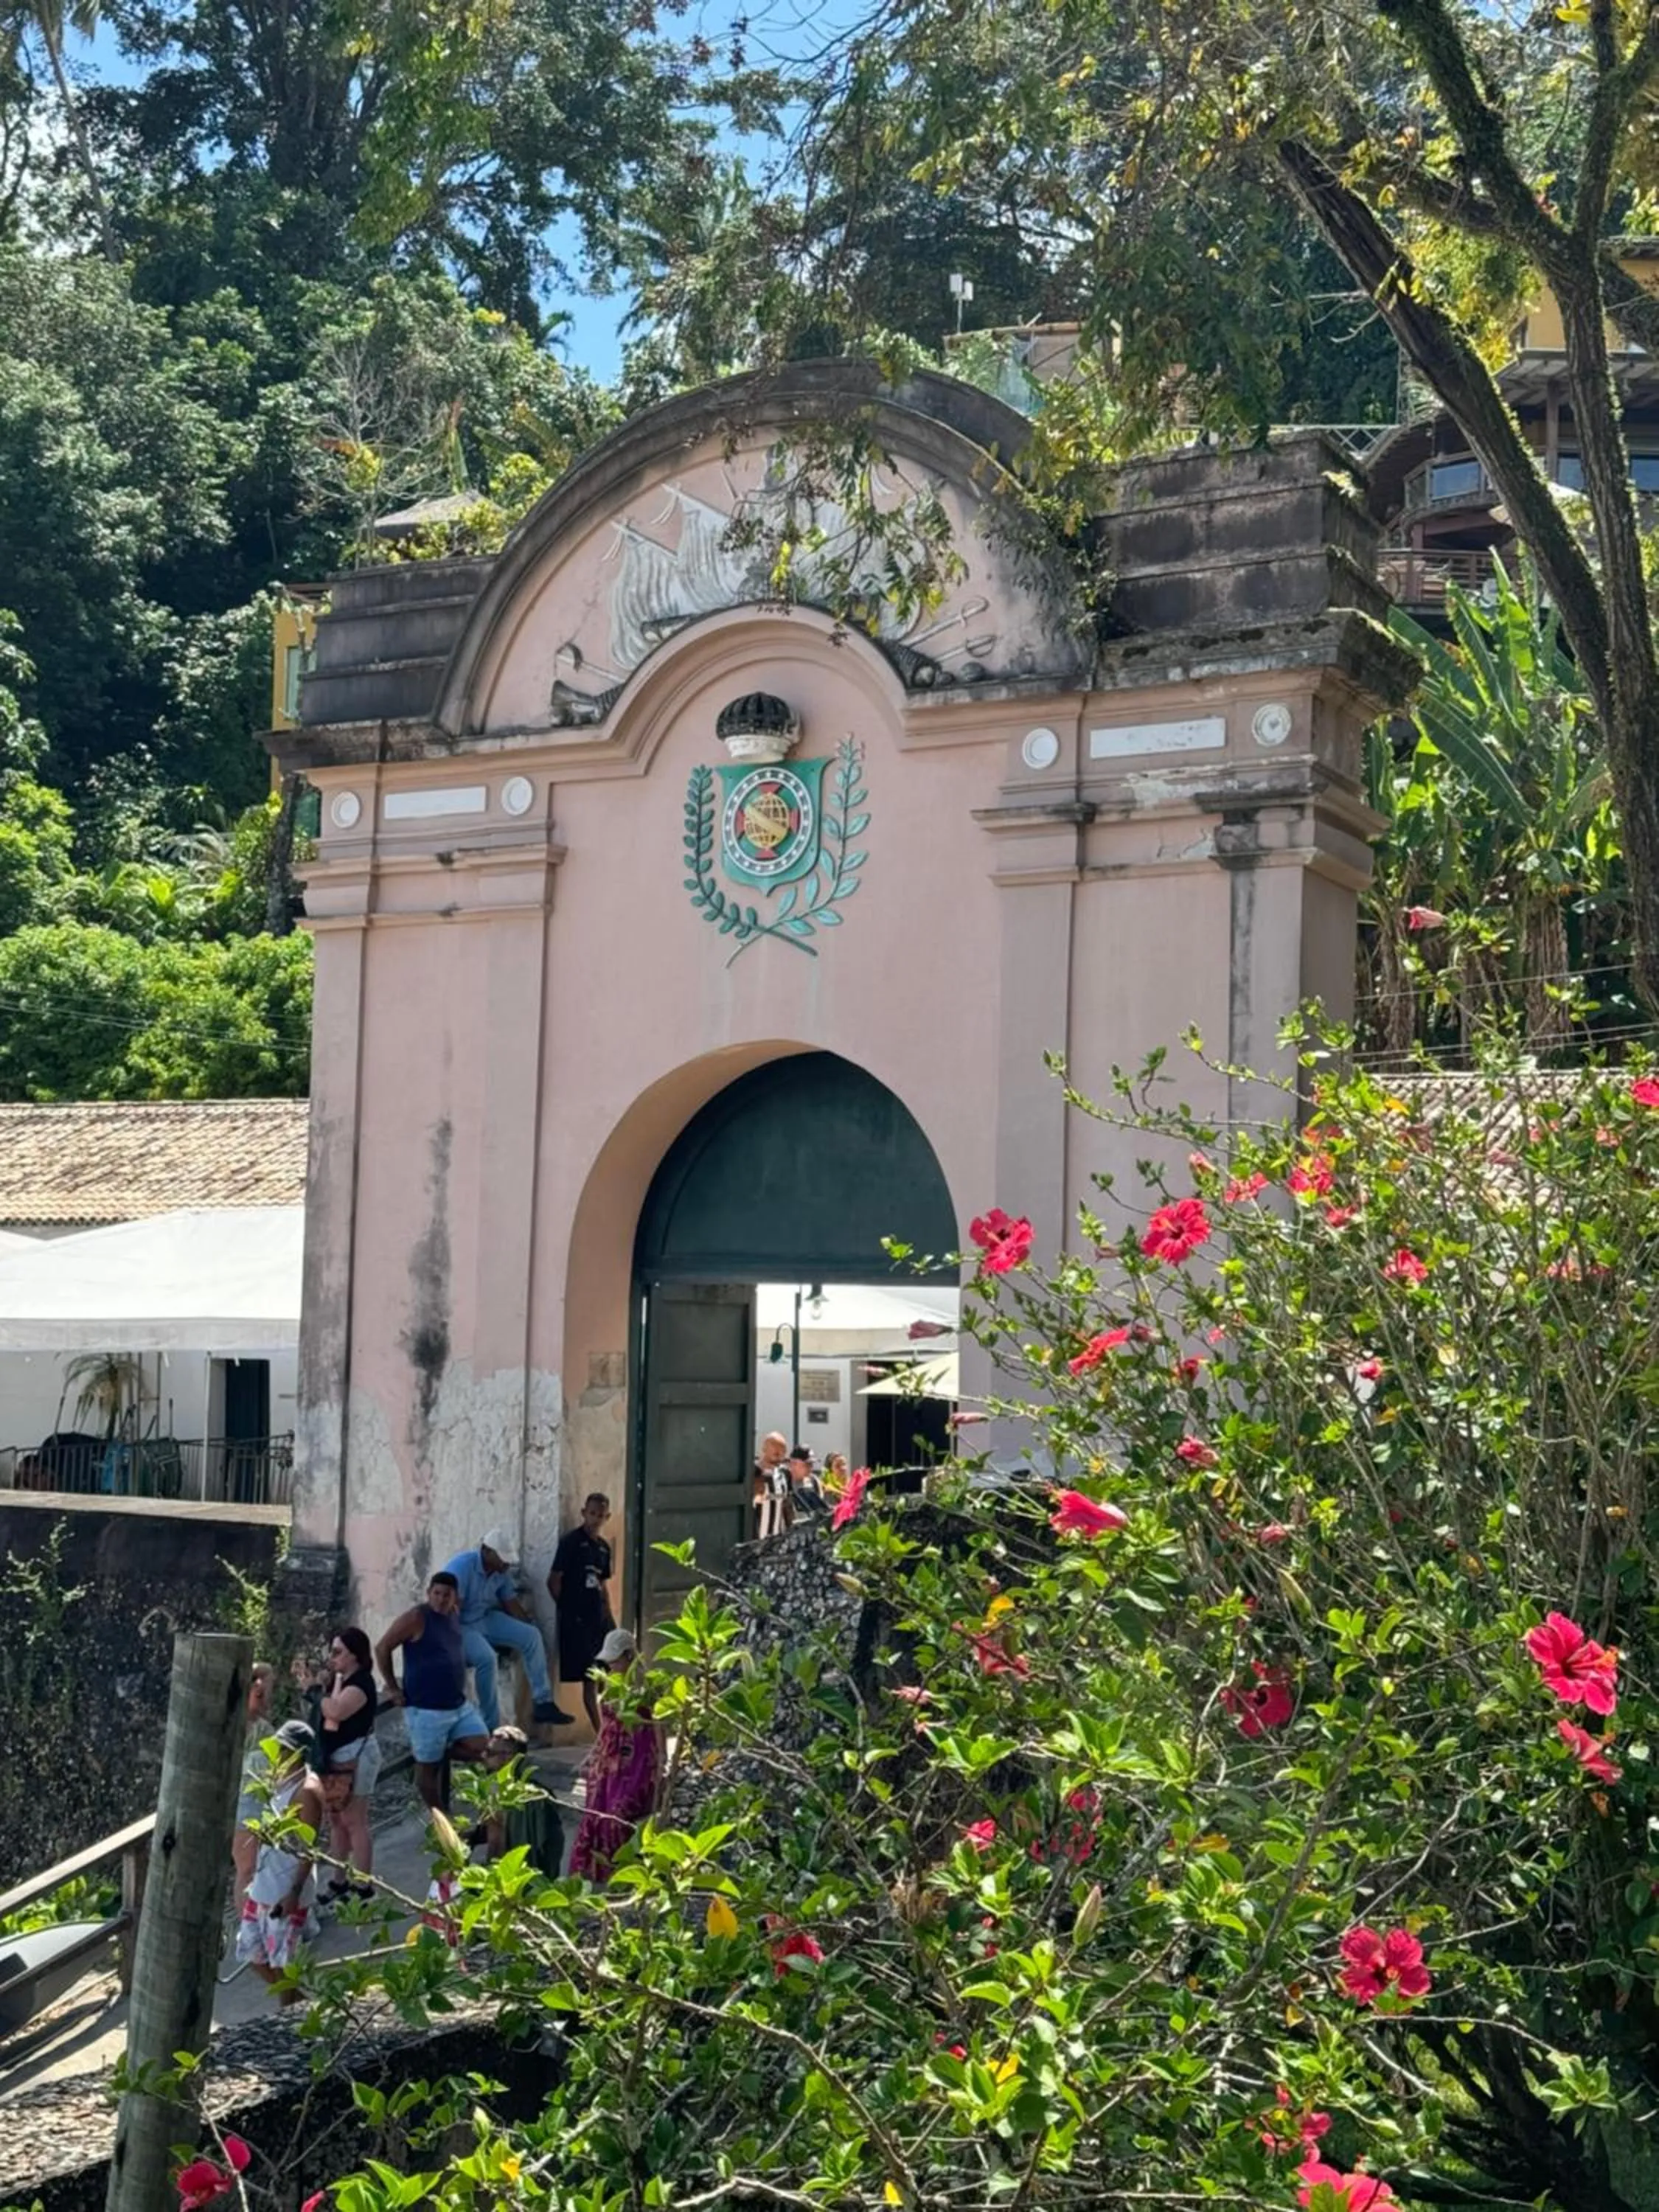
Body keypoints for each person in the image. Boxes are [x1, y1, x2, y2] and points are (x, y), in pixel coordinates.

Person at [375, 1570, 492, 1810]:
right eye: (436, 1594)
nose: (441, 1599)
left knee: (485, 1748)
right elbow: (383, 1647)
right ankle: (441, 1819)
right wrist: (394, 1688)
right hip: (426, 1710)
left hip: (458, 1706)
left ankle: (443, 1750)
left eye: (446, 1595)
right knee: (426, 1772)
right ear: (428, 1593)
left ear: (455, 1598)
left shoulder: (453, 1615)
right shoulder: (417, 1617)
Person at [441, 1528, 571, 1733]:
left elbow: (510, 1603)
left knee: (532, 1635)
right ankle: (489, 1725)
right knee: (487, 1658)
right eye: (503, 1558)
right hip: (461, 1625)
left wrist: (527, 1624)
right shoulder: (463, 1567)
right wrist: (452, 1646)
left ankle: (542, 1702)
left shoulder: (500, 1572)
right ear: (486, 1551)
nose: (506, 1563)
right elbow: (451, 1611)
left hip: (484, 1617)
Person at [234, 1717, 322, 1999]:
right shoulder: (281, 1783)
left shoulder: (307, 1791)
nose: (279, 1756)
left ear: (298, 1754)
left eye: (284, 1751)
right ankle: (298, 2004)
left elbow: (309, 1847)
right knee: (250, 1953)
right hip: (264, 1883)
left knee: (284, 1969)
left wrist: (294, 1893)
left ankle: (293, 2015)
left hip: (286, 1888)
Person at [568, 1629, 663, 1882]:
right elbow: (606, 1726)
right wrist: (593, 1753)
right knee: (596, 1812)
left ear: (630, 1656)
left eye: (616, 1659)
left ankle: (624, 1873)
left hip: (636, 1760)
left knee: (621, 1814)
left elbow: (659, 1727)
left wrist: (662, 1763)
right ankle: (595, 1872)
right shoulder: (610, 1681)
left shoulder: (647, 1688)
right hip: (608, 1760)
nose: (610, 1664)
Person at [317, 1625, 380, 1902]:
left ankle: (364, 1886)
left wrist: (314, 1693)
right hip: (340, 1757)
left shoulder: (361, 1683)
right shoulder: (342, 1680)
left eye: (338, 1651)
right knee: (337, 1821)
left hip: (357, 1757)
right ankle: (338, 1881)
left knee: (355, 1821)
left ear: (355, 1654)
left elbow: (336, 1711)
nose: (333, 1657)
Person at [548, 1494, 617, 1731]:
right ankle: (600, 1733)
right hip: (578, 1620)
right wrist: (568, 1609)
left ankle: (611, 1724)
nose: (596, 1519)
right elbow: (554, 1580)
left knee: (606, 1673)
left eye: (601, 1515)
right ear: (584, 1513)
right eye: (592, 1513)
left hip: (598, 1618)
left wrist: (608, 1615)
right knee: (589, 1677)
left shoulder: (604, 1549)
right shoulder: (570, 1543)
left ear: (607, 1517)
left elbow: (602, 1583)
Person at [232, 1660, 276, 1904]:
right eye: (259, 1694)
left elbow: (267, 1670)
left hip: (265, 1801)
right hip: (241, 1805)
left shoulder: (264, 1728)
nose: (265, 1698)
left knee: (267, 1865)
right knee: (247, 1868)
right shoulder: (231, 1729)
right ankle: (247, 1928)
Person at [753, 1432, 792, 1539]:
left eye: (783, 1451)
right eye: (775, 1451)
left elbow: (787, 1504)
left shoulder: (784, 1473)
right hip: (757, 1538)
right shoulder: (754, 1472)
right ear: (764, 1449)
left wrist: (791, 1529)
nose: (779, 1454)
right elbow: (755, 1500)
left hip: (777, 1538)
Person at [787, 1444, 827, 1520]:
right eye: (807, 1464)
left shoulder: (814, 1481)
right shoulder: (783, 1481)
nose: (811, 1468)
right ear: (793, 1463)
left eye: (812, 1464)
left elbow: (820, 1510)